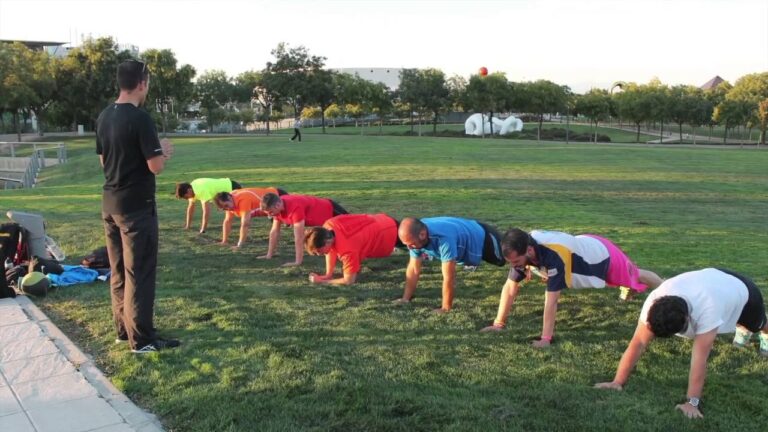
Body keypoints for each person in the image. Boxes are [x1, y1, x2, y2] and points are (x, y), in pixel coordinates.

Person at [594, 268, 768, 419]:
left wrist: (692, 403)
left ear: (687, 318)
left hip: (743, 291)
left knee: (758, 324)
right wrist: (617, 382)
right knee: (738, 319)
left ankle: (760, 332)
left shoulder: (708, 309)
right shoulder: (655, 300)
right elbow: (638, 342)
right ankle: (742, 328)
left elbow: (699, 360)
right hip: (713, 280)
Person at [96, 59, 179, 353]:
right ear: (142, 84)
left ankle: (124, 331)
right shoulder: (140, 118)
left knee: (119, 271)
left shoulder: (104, 116)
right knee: (139, 273)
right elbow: (155, 167)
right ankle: (141, 340)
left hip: (110, 204)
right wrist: (163, 152)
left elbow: (104, 161)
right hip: (136, 209)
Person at [481, 228, 663, 347]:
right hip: (581, 248)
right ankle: (628, 287)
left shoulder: (554, 256)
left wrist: (545, 339)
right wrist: (498, 324)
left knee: (634, 274)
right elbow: (510, 287)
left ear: (529, 250)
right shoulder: (522, 248)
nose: (514, 266)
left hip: (601, 255)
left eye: (516, 262)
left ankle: (667, 287)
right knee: (627, 280)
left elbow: (551, 301)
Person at [394, 217, 506, 313]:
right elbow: (413, 269)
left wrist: (445, 308)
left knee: (506, 258)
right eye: (406, 244)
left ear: (422, 234)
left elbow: (449, 277)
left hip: (484, 237)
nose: (409, 248)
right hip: (467, 230)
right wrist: (405, 299)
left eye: (411, 244)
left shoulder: (444, 239)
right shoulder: (416, 233)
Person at [304, 213, 405, 285]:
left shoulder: (347, 250)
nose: (319, 254)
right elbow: (331, 250)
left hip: (390, 233)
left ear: (327, 242)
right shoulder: (328, 225)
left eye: (319, 251)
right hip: (382, 220)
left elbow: (348, 280)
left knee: (413, 243)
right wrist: (328, 274)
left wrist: (323, 281)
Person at [259, 193, 347, 266]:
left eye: (270, 212)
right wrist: (269, 255)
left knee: (348, 230)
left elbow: (299, 237)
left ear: (277, 205)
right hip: (322, 221)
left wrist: (298, 261)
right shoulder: (278, 208)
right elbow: (274, 232)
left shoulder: (294, 208)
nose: (269, 216)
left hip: (330, 209)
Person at [213, 187, 287, 250]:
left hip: (278, 197)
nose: (227, 209)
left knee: (289, 222)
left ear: (229, 197)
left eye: (226, 205)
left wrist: (239, 245)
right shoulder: (231, 201)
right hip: (270, 208)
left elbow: (245, 224)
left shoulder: (243, 200)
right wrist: (224, 241)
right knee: (278, 223)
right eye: (224, 208)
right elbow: (227, 221)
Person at [175, 178, 242, 233]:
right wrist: (187, 226)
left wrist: (203, 229)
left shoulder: (200, 190)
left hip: (232, 187)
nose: (187, 199)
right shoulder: (192, 187)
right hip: (230, 185)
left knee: (241, 210)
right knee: (233, 211)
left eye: (186, 197)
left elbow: (206, 211)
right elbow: (190, 209)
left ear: (189, 190)